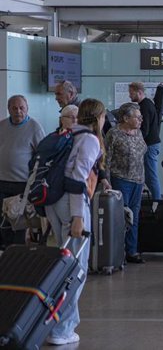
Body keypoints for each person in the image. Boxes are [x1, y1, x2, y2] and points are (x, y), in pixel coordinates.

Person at [41, 98, 105, 346]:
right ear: (98, 117)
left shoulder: (67, 135)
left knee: (64, 265)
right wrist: (79, 216)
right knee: (75, 270)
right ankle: (62, 329)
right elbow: (78, 178)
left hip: (54, 203)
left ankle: (56, 323)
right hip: (72, 205)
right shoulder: (89, 139)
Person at [0, 95, 46, 249]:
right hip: (2, 181)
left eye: (21, 108)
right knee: (3, 219)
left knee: (19, 221)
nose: (18, 111)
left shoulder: (35, 127)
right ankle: (5, 250)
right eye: (14, 108)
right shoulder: (2, 125)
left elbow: (42, 155)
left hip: (22, 183)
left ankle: (18, 251)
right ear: (9, 109)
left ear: (27, 109)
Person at [104, 102, 148, 264]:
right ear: (125, 118)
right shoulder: (113, 134)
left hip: (138, 179)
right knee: (121, 217)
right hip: (120, 179)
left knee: (134, 217)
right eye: (137, 117)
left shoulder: (138, 133)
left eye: (140, 117)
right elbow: (106, 159)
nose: (140, 120)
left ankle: (132, 251)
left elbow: (142, 155)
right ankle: (116, 251)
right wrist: (106, 180)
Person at [128, 82, 162, 201]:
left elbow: (144, 130)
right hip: (151, 144)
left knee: (151, 176)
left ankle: (158, 203)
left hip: (150, 145)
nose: (129, 96)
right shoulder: (146, 104)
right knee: (148, 175)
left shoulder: (144, 106)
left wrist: (131, 136)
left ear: (139, 92)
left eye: (131, 93)